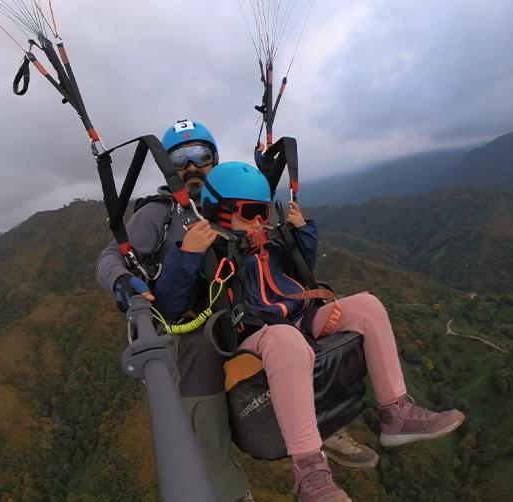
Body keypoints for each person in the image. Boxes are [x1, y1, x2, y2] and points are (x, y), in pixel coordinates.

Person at [153, 161, 466, 502]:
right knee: (285, 339)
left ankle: (396, 413)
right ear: (223, 211)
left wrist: (301, 233)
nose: (261, 220)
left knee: (367, 306)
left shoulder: (268, 242)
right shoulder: (208, 249)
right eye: (252, 211)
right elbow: (170, 304)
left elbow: (303, 271)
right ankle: (310, 473)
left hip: (299, 317)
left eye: (264, 211)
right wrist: (187, 256)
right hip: (254, 335)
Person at [95, 121, 375, 502]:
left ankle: (323, 432)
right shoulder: (160, 214)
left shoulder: (236, 196)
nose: (192, 167)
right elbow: (112, 257)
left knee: (297, 344)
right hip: (199, 329)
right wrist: (123, 283)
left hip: (254, 313)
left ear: (215, 159)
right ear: (167, 166)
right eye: (181, 159)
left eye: (201, 156)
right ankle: (230, 492)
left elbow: (277, 261)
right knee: (203, 416)